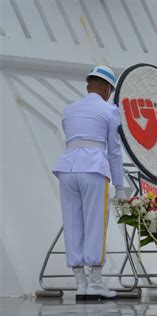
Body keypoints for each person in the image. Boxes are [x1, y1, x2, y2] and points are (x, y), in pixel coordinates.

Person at [52, 65, 126, 300]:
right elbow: (114, 151)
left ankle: (80, 283)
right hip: (93, 168)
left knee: (73, 223)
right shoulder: (110, 110)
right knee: (95, 223)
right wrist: (120, 185)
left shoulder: (69, 110)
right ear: (107, 88)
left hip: (66, 168)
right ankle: (95, 282)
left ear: (88, 86)